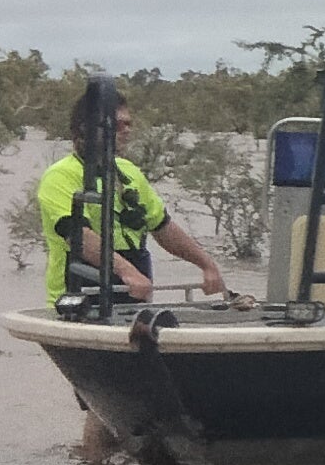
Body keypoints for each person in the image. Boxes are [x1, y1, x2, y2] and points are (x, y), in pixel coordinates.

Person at [36, 77, 230, 304]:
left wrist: (206, 265)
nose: (126, 131)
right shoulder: (60, 176)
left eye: (129, 124)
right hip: (79, 299)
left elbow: (163, 227)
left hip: (133, 298)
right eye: (118, 125)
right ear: (87, 128)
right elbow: (79, 237)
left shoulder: (128, 172)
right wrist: (126, 271)